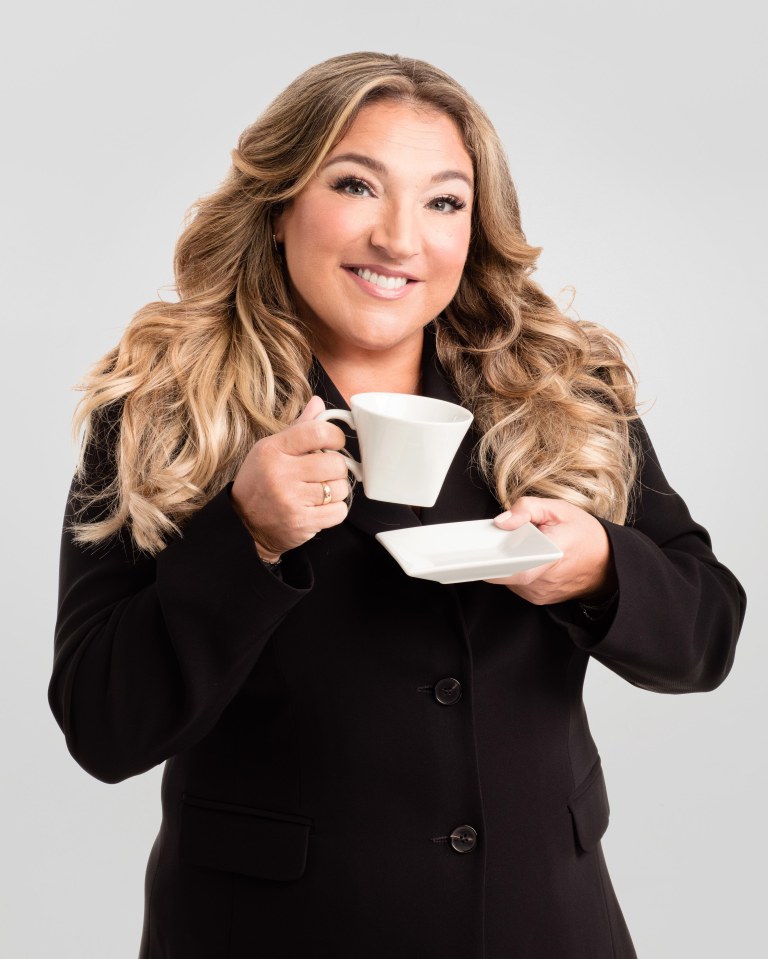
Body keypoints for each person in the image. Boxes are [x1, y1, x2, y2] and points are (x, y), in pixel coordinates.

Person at [49, 51, 746, 958]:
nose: (400, 239)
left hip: (545, 926)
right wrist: (245, 538)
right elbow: (103, 726)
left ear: (476, 228)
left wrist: (600, 569)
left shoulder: (559, 391)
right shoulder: (162, 406)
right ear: (280, 205)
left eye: (443, 201)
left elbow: (708, 632)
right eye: (355, 185)